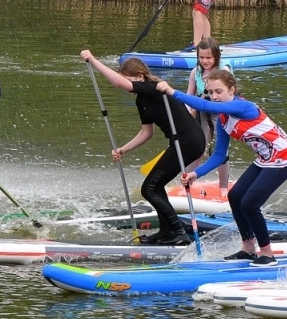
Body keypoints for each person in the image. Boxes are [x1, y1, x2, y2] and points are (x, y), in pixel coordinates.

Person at [160, 70, 287, 264]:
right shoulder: (224, 121)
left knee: (249, 204)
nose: (214, 97)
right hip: (266, 159)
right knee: (235, 196)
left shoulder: (243, 106)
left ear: (232, 90)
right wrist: (195, 173)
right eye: (211, 92)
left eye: (219, 91)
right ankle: (248, 247)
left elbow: (204, 105)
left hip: (285, 158)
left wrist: (172, 91)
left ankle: (267, 253)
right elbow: (219, 155)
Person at [82, 50, 205, 245]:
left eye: (129, 80)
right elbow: (147, 133)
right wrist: (124, 149)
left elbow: (118, 82)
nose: (125, 87)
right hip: (179, 142)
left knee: (149, 188)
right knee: (155, 186)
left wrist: (94, 60)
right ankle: (167, 232)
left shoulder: (153, 87)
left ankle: (178, 232)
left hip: (189, 141)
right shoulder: (141, 100)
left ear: (140, 77)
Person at [184, 37, 231, 192]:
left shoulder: (224, 71)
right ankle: (186, 182)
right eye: (202, 57)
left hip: (221, 114)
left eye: (208, 57)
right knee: (198, 148)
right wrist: (187, 112)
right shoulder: (195, 73)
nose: (205, 61)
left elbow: (230, 94)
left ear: (216, 56)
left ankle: (223, 187)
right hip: (203, 115)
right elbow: (189, 96)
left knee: (220, 151)